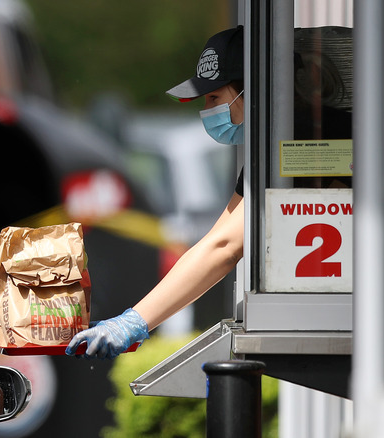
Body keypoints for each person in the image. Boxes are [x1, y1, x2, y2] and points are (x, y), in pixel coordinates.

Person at [66, 26, 246, 359]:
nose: (206, 110)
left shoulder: (302, 150)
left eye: (214, 98)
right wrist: (136, 320)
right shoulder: (273, 153)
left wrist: (133, 322)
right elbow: (217, 241)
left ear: (250, 92)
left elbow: (224, 246)